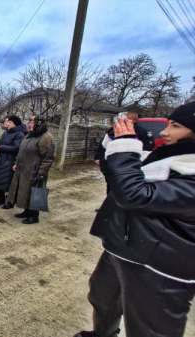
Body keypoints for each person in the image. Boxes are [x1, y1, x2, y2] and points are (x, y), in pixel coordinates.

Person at [75, 102, 195, 337]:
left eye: (175, 126)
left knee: (149, 328)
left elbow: (135, 195)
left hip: (160, 266)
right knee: (103, 299)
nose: (164, 132)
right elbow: (119, 187)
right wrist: (115, 145)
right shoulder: (168, 160)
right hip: (124, 246)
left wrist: (126, 149)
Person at [6, 116, 55, 224]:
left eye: (32, 122)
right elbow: (22, 151)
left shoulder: (46, 137)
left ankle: (34, 216)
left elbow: (48, 158)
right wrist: (16, 163)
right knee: (24, 191)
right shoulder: (30, 134)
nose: (30, 124)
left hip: (35, 170)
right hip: (24, 169)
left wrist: (41, 173)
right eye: (30, 122)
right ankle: (27, 211)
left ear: (39, 123)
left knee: (35, 192)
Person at [94, 111, 155, 194]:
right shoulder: (112, 131)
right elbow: (103, 145)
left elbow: (147, 149)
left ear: (135, 120)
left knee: (124, 187)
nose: (123, 119)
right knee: (111, 185)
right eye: (122, 116)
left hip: (130, 165)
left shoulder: (142, 132)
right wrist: (98, 157)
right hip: (111, 163)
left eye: (127, 117)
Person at [0, 116, 26, 208]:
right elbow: (2, 144)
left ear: (15, 124)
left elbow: (17, 148)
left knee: (10, 182)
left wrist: (1, 148)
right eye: (8, 122)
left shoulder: (19, 134)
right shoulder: (6, 133)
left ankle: (10, 202)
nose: (7, 123)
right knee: (0, 181)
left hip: (9, 161)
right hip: (1, 160)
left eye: (10, 122)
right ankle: (1, 198)